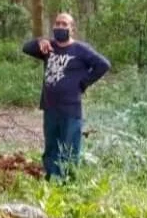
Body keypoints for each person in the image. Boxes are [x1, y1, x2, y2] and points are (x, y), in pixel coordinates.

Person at [21, 13, 110, 180]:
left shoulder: (80, 50)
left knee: (69, 147)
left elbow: (103, 65)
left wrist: (84, 83)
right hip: (50, 106)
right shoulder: (49, 47)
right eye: (57, 24)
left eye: (64, 24)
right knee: (51, 146)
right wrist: (40, 40)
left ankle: (67, 181)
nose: (60, 27)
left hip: (70, 107)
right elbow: (26, 48)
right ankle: (51, 178)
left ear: (72, 29)